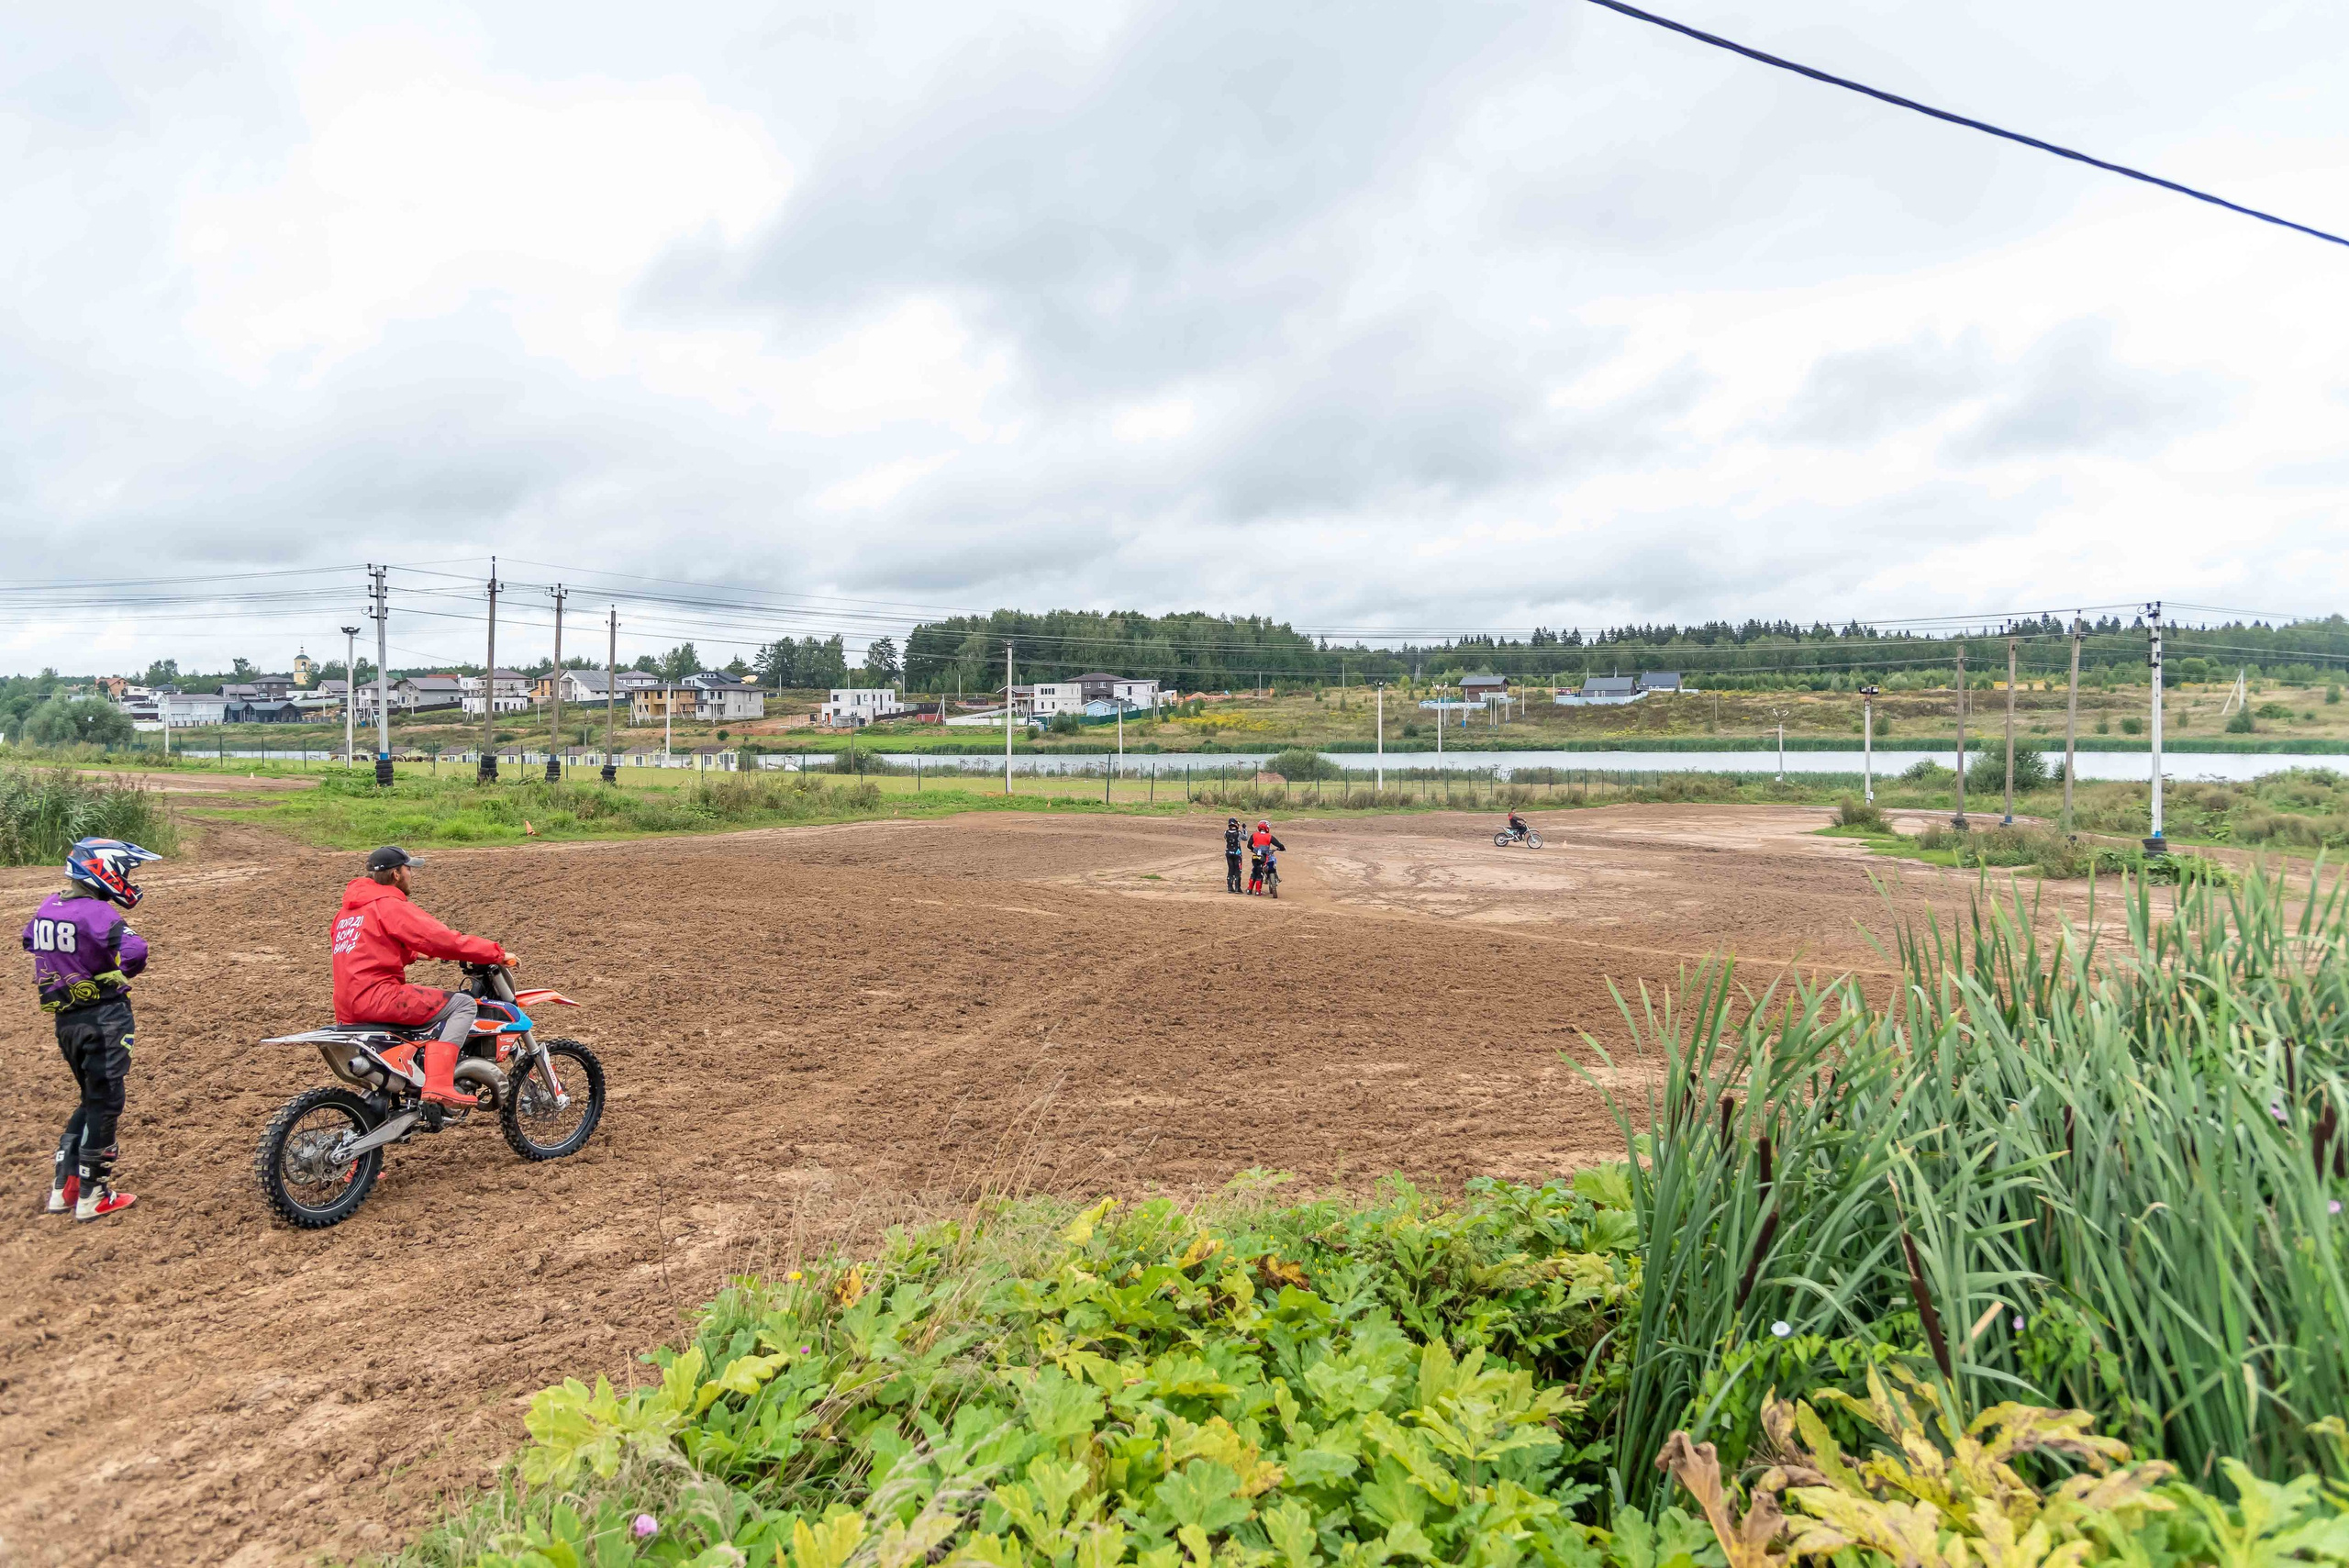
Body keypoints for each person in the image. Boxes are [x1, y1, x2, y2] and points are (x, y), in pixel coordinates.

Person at [26, 838, 161, 1222]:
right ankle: (93, 1195)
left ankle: (64, 1189)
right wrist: (111, 972)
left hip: (66, 1020)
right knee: (106, 1103)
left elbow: (29, 939)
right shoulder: (99, 913)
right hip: (104, 1018)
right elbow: (136, 952)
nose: (127, 878)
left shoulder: (47, 907)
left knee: (89, 1099)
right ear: (105, 870)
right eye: (125, 870)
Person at [331, 847, 516, 1112]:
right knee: (463, 1004)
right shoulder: (389, 905)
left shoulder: (347, 914)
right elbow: (442, 940)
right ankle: (439, 1084)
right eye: (408, 869)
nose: (412, 874)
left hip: (347, 1005)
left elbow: (366, 949)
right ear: (396, 874)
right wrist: (495, 953)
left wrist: (412, 954)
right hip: (378, 998)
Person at [1247, 820, 1285, 895]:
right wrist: (1282, 848)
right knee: (1260, 873)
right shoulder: (1269, 836)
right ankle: (1258, 891)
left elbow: (1249, 845)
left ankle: (1249, 889)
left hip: (1255, 857)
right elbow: (1279, 844)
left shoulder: (1254, 835)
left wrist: (1253, 850)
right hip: (1264, 857)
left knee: (1254, 871)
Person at [1223, 817, 1245, 894]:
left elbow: (1226, 838)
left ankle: (1229, 887)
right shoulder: (1239, 833)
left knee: (1230, 869)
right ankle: (1237, 888)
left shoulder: (1226, 832)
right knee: (1237, 870)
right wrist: (1244, 829)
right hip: (1237, 853)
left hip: (1228, 853)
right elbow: (1245, 838)